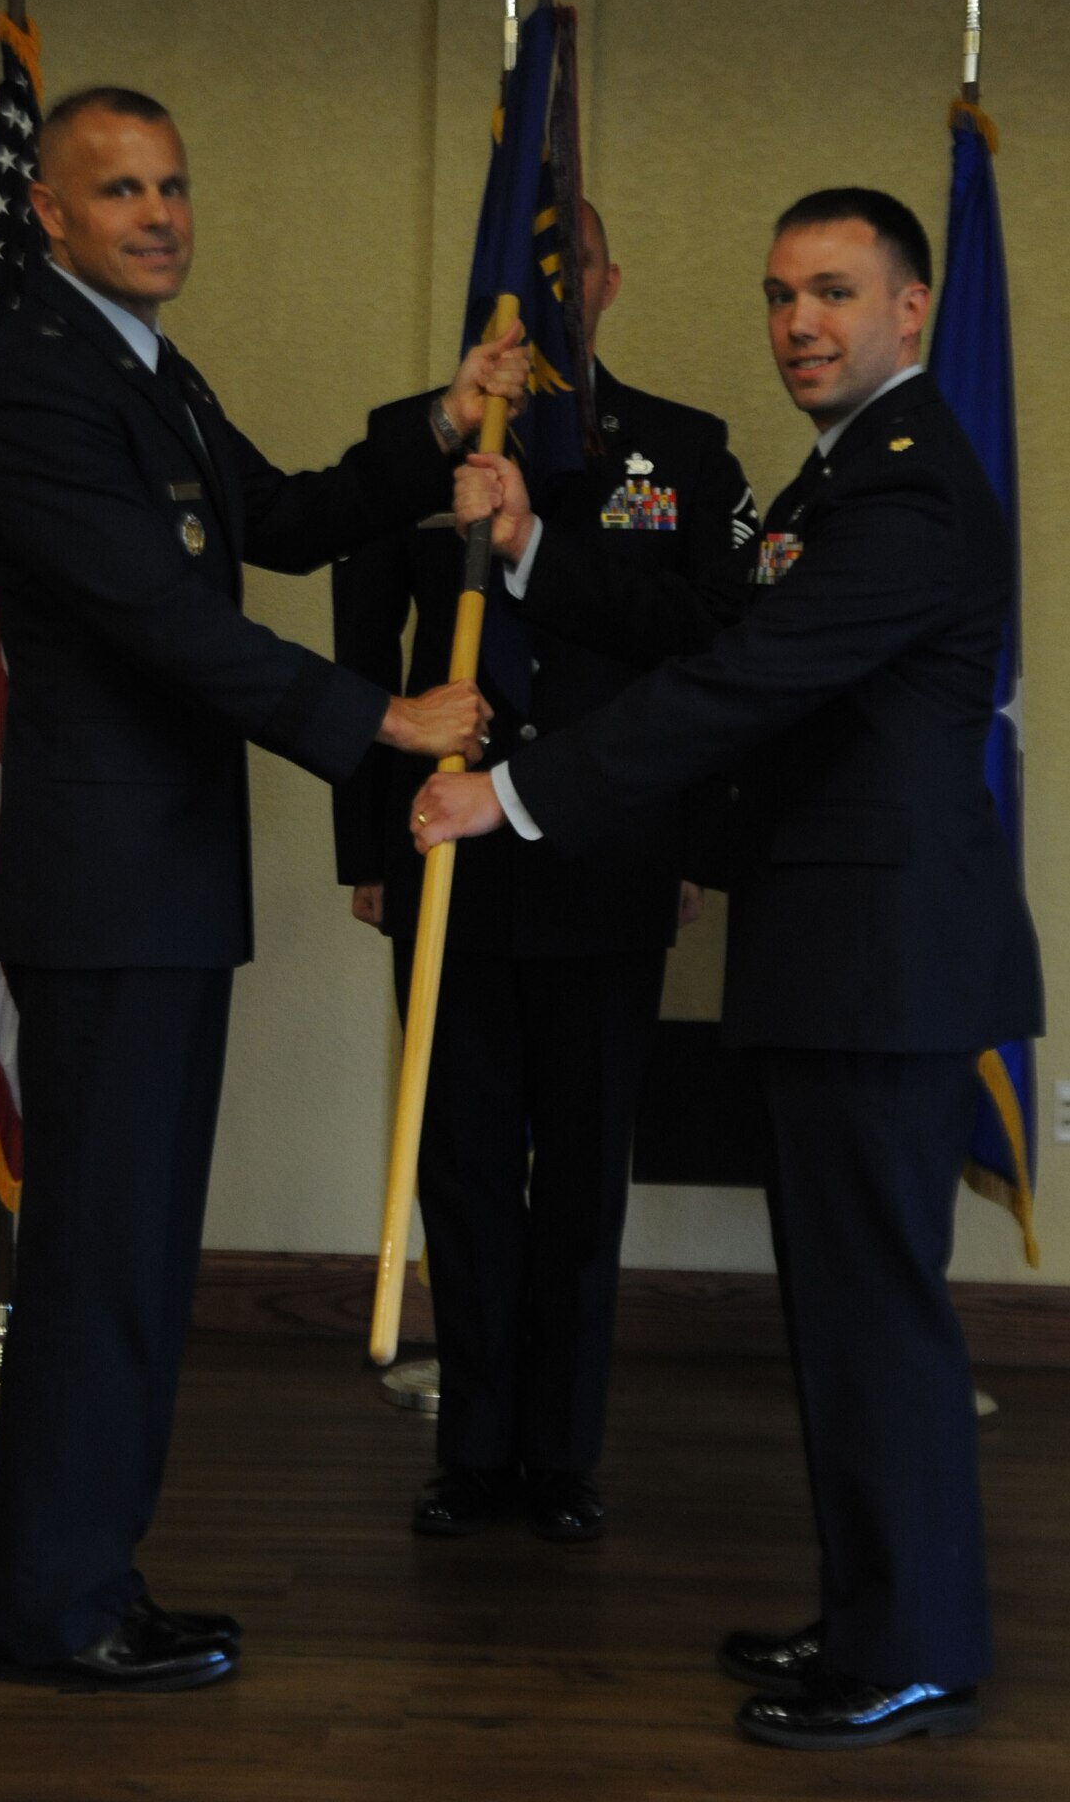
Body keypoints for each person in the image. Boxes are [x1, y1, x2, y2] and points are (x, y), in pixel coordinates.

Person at [410, 188, 1042, 1748]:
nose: (797, 323)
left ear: (909, 308)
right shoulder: (839, 476)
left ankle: (909, 1646)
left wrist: (515, 794)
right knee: (837, 1314)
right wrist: (530, 545)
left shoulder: (907, 488)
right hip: (836, 959)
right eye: (778, 294)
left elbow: (742, 682)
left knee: (873, 1317)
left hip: (881, 966)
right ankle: (869, 1612)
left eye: (832, 291)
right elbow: (702, 623)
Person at [0, 86, 526, 1691]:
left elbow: (274, 518)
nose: (157, 216)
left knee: (135, 1258)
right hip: (107, 894)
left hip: (161, 886)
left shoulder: (144, 368)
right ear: (48, 216)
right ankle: (57, 1611)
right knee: (101, 1263)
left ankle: (88, 1583)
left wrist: (440, 422)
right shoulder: (34, 387)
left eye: (172, 186)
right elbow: (163, 620)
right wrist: (380, 724)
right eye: (118, 191)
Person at [332, 201, 758, 1541]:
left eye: (568, 272)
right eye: (520, 275)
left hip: (606, 858)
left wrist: (691, 850)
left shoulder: (682, 450)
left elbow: (710, 647)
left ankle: (561, 1455)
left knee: (579, 1176)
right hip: (446, 861)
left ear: (610, 285)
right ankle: (473, 1452)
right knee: (462, 1171)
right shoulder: (418, 440)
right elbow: (363, 654)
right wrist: (364, 850)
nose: (543, 297)